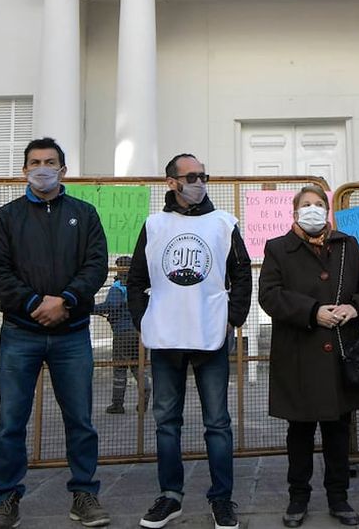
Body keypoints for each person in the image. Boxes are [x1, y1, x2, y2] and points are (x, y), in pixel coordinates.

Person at [0, 137, 110, 529]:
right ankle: (5, 499)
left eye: (50, 162)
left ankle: (84, 494)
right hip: (21, 333)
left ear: (63, 170)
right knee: (11, 421)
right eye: (35, 162)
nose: (42, 168)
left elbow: (96, 265)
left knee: (80, 420)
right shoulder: (6, 216)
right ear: (24, 170)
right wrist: (35, 303)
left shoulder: (84, 214)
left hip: (72, 334)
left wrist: (66, 300)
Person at [127, 153, 252, 529]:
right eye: (192, 176)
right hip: (166, 340)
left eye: (203, 175)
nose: (199, 182)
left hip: (210, 337)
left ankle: (222, 499)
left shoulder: (223, 223)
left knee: (217, 422)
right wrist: (143, 319)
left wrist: (232, 319)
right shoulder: (154, 225)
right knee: (166, 421)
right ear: (171, 183)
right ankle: (171, 496)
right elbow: (136, 279)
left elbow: (242, 274)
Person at [259, 184, 359, 528]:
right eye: (306, 204)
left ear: (327, 211)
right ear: (295, 212)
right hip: (297, 356)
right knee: (299, 432)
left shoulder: (347, 245)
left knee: (338, 430)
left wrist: (353, 308)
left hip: (339, 358)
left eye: (319, 204)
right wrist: (312, 312)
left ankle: (338, 497)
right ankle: (298, 497)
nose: (313, 209)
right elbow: (269, 295)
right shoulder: (278, 249)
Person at [93, 255, 151, 414]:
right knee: (138, 366)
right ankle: (145, 391)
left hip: (122, 333)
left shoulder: (118, 286)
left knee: (119, 369)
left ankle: (117, 404)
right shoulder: (139, 286)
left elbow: (111, 306)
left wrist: (90, 308)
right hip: (139, 334)